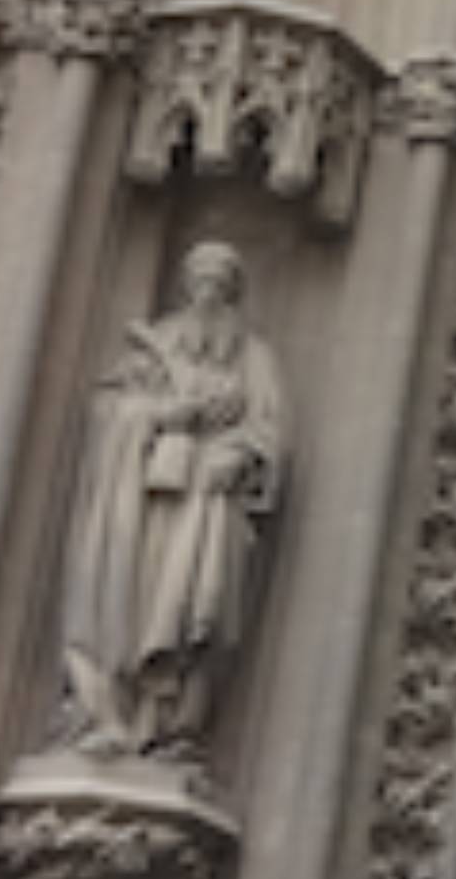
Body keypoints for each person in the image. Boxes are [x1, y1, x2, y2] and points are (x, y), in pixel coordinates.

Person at [54, 242, 292, 763]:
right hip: (142, 504)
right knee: (127, 598)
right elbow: (108, 410)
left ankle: (174, 726)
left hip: (209, 504)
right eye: (202, 279)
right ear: (187, 285)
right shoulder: (153, 346)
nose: (211, 291)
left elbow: (270, 433)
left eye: (223, 283)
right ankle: (109, 712)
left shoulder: (255, 358)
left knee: (196, 608)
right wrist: (160, 416)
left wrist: (240, 456)